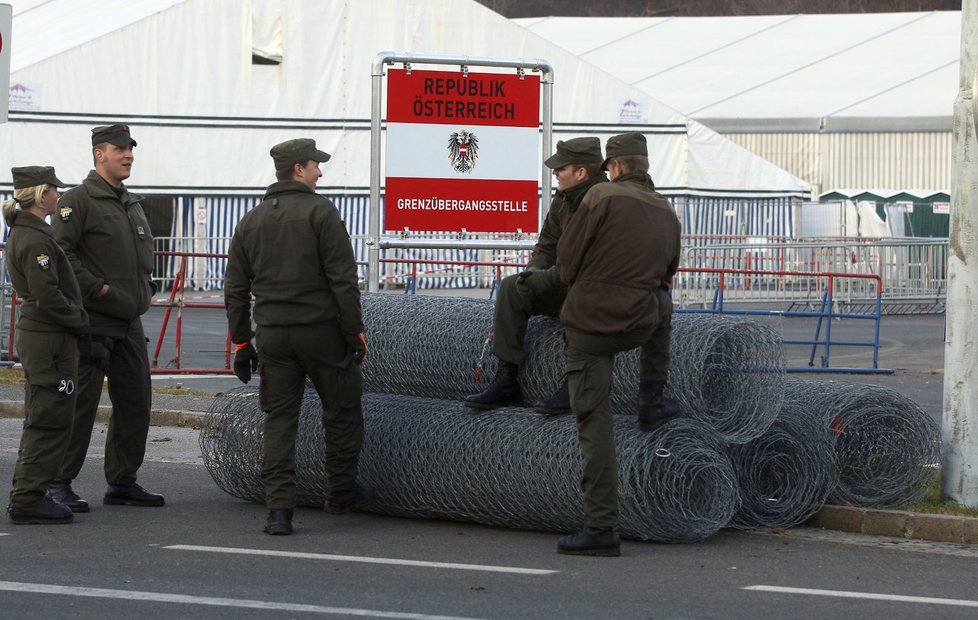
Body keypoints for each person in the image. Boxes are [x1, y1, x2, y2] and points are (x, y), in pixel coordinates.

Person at [224, 138, 368, 536]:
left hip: (273, 336)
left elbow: (235, 289)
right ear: (299, 170)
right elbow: (343, 280)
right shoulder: (321, 212)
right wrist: (355, 332)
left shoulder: (250, 221)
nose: (320, 172)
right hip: (321, 332)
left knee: (279, 420)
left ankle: (278, 511)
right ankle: (340, 494)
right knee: (340, 411)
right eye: (315, 165)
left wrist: (241, 343)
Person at [552, 132, 682, 556]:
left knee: (595, 423)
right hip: (641, 321)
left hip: (590, 327)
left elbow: (567, 260)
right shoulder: (667, 212)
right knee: (664, 303)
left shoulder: (601, 196)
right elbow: (666, 276)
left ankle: (601, 527)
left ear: (618, 166)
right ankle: (652, 397)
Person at [49, 124, 164, 512]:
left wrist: (143, 289)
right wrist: (96, 289)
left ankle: (122, 481)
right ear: (99, 154)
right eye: (120, 150)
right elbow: (62, 253)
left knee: (136, 402)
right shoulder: (77, 201)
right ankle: (58, 482)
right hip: (93, 321)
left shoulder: (130, 202)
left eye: (131, 149)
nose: (129, 155)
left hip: (129, 321)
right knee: (80, 405)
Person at [464, 137, 607, 414]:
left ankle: (576, 385)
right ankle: (506, 379)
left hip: (595, 288)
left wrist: (543, 279)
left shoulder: (605, 202)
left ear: (581, 173)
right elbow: (546, 244)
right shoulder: (564, 199)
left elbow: (586, 267)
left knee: (581, 295)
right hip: (563, 280)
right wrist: (532, 274)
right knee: (512, 287)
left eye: (560, 168)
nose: (554, 173)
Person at [4, 166, 89, 524]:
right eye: (55, 188)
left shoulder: (34, 233)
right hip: (48, 339)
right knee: (48, 418)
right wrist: (80, 319)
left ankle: (29, 492)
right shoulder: (35, 238)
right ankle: (28, 498)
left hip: (48, 337)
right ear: (42, 195)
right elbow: (47, 295)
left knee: (48, 415)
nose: (59, 194)